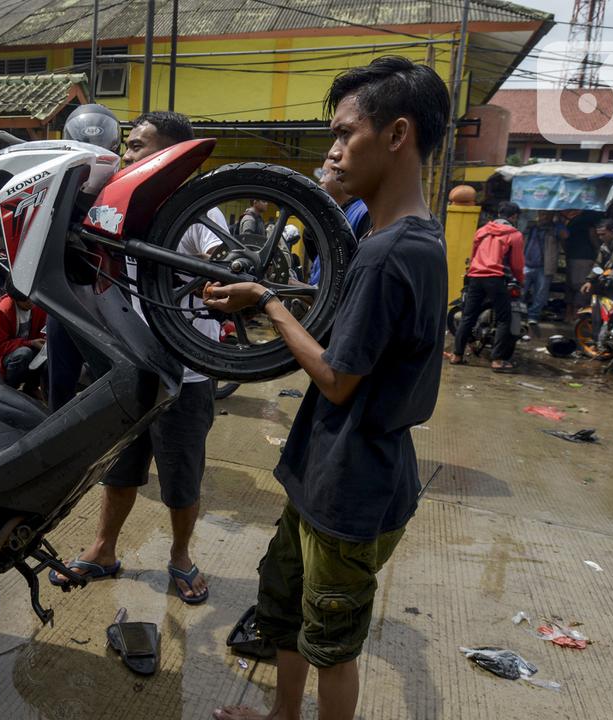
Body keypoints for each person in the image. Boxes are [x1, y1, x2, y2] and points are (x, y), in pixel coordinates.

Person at [204, 56, 449, 720]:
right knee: (284, 600)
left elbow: (339, 379)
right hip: (329, 468)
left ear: (396, 135)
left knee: (332, 642)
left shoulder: (389, 252)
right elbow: (355, 328)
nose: (333, 150)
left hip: (353, 485)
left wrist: (268, 304)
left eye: (345, 134)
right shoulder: (408, 237)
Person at [49, 111, 219, 605]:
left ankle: (181, 557)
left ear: (171, 155)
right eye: (127, 146)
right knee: (119, 469)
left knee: (180, 478)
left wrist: (208, 274)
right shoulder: (120, 206)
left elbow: (218, 258)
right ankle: (103, 549)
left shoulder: (198, 208)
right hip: (129, 368)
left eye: (139, 147)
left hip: (184, 376)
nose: (127, 155)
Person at [46, 103, 122, 411]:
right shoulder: (56, 184)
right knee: (59, 386)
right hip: (63, 299)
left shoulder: (123, 186)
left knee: (111, 386)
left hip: (111, 300)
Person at [447, 201, 524, 372]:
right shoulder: (514, 235)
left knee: (468, 316)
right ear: (513, 217)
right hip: (496, 278)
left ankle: (457, 355)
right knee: (505, 318)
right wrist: (520, 279)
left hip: (475, 276)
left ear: (499, 214)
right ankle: (497, 360)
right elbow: (517, 264)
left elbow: (473, 255)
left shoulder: (481, 231)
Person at [313, 157, 372, 286]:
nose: (320, 180)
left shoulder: (364, 213)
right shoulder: (336, 215)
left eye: (325, 174)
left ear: (342, 177)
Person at [0, 285, 47, 394]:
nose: (30, 303)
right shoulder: (4, 311)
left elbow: (43, 331)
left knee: (44, 354)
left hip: (29, 348)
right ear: (15, 300)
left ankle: (31, 389)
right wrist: (29, 343)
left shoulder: (36, 306)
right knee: (24, 354)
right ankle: (9, 390)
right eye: (26, 301)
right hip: (8, 356)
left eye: (31, 298)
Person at [523, 211, 567, 327]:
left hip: (544, 267)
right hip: (526, 264)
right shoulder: (531, 226)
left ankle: (533, 316)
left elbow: (565, 235)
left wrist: (559, 222)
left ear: (553, 216)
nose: (545, 217)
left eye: (548, 215)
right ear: (538, 214)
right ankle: (517, 314)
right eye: (543, 214)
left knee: (540, 294)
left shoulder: (555, 228)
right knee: (520, 291)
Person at [563, 210, 601, 316]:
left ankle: (568, 315)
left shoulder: (572, 222)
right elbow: (593, 239)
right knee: (582, 287)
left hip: (571, 257)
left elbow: (565, 239)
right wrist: (599, 251)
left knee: (570, 286)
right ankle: (576, 316)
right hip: (585, 258)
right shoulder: (589, 224)